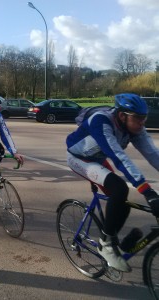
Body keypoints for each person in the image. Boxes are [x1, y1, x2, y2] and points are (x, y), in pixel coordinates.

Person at [66, 93, 159, 272]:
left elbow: (153, 155)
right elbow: (119, 158)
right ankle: (106, 245)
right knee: (120, 188)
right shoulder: (101, 121)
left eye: (144, 118)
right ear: (122, 116)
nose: (142, 123)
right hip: (78, 158)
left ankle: (112, 240)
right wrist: (148, 192)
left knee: (122, 203)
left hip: (97, 159)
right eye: (138, 118)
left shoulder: (135, 128)